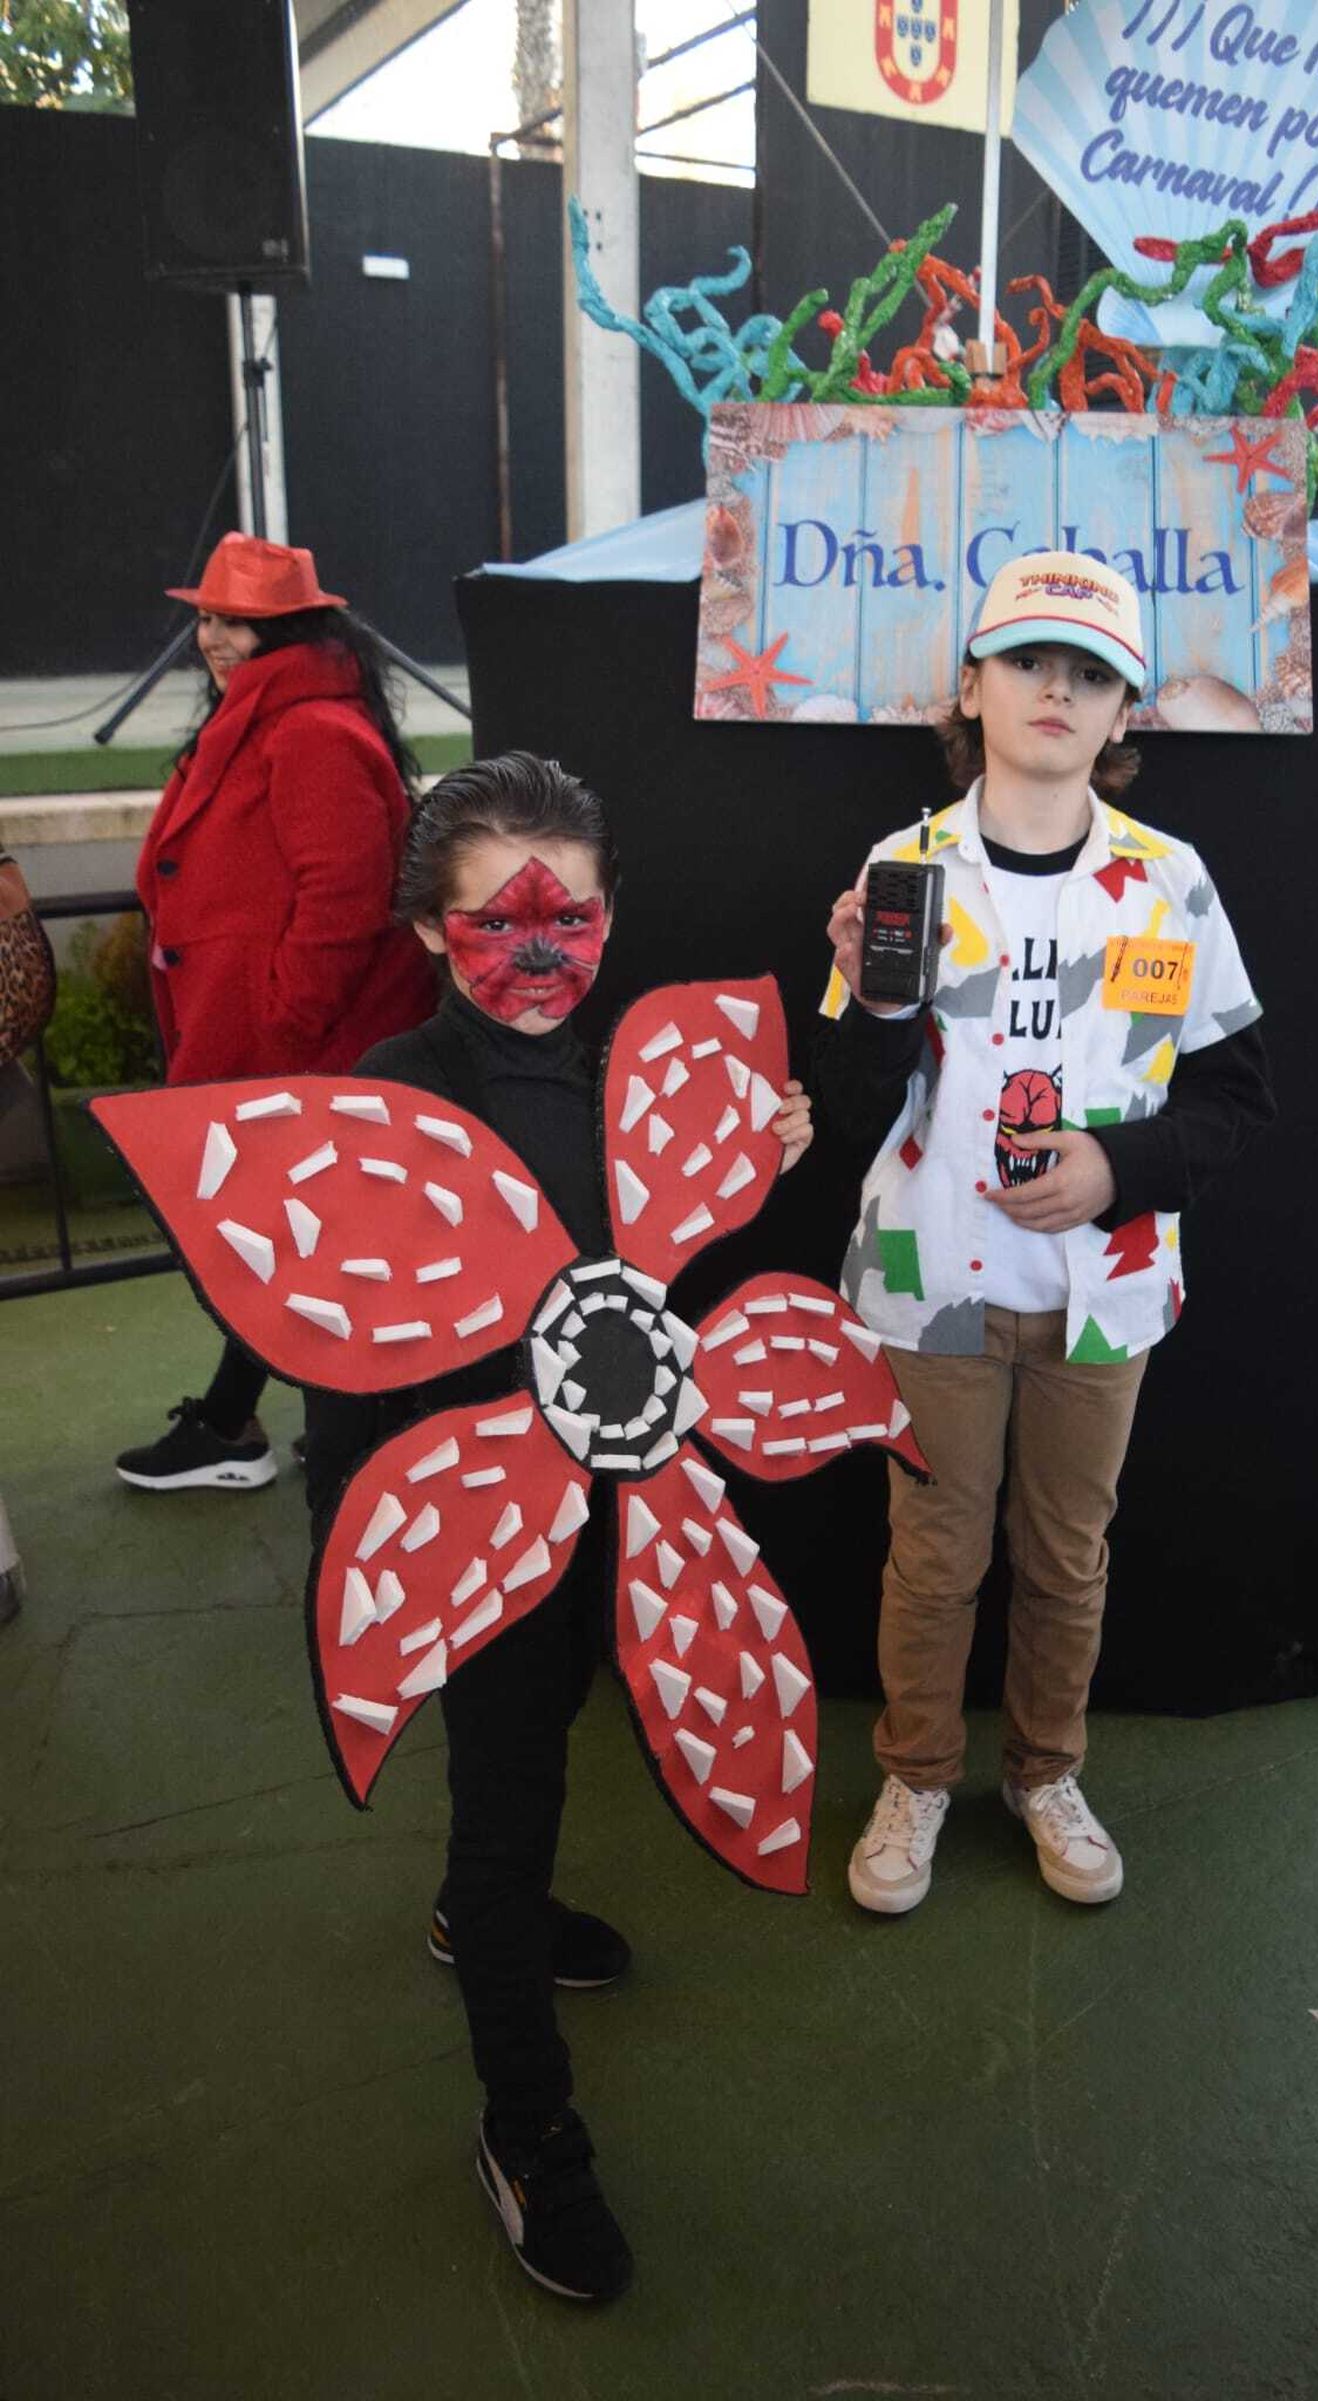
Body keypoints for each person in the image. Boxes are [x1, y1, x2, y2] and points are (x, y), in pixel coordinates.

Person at [303, 750, 812, 2302]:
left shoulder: (633, 1082)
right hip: (475, 1519)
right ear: (428, 929)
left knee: (568, 1718)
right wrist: (361, 1556)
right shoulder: (399, 1093)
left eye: (569, 920)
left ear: (609, 916)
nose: (538, 952)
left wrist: (756, 1153)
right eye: (498, 924)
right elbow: (341, 1354)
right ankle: (528, 2128)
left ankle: (486, 1914)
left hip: (626, 1507)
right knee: (507, 1793)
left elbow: (647, 1282)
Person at [816, 551, 1274, 1916]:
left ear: (1124, 710)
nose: (1055, 690)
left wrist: (1117, 1167)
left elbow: (1239, 1103)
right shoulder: (902, 870)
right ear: (972, 687)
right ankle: (916, 1774)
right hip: (931, 1285)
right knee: (934, 1557)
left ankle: (1044, 1771)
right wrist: (869, 1001)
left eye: (1089, 673)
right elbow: (846, 1101)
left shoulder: (1171, 882)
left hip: (1102, 1292)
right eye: (1027, 661)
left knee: (1068, 1556)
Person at [115, 533, 437, 1494]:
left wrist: (281, 1031)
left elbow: (343, 902)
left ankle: (267, 1425)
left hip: (306, 1052)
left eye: (238, 622)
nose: (213, 638)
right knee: (301, 1250)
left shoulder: (310, 733)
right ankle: (298, 1422)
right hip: (284, 1046)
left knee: (283, 1248)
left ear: (291, 633)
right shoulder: (276, 719)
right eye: (208, 618)